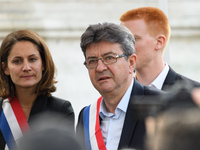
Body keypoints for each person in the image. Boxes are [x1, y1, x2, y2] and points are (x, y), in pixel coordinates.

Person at [76, 22, 165, 150]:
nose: (100, 68)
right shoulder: (86, 116)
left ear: (131, 62)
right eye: (92, 61)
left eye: (110, 58)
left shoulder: (160, 105)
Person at [0, 30, 74, 150]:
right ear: (5, 68)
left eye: (32, 59)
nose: (26, 67)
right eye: (17, 61)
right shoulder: (2, 110)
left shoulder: (61, 110)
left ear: (43, 64)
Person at [120, 7, 200, 91]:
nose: (123, 47)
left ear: (159, 42)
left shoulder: (193, 94)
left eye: (134, 39)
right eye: (121, 41)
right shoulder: (116, 95)